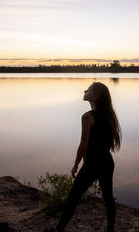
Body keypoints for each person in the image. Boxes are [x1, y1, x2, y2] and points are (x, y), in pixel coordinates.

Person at [44, 82, 122, 232]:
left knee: (72, 199)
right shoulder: (108, 115)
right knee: (108, 198)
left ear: (96, 96)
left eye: (89, 89)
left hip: (92, 164)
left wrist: (75, 165)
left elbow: (83, 146)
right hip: (107, 161)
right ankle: (110, 229)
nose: (85, 90)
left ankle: (58, 230)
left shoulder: (87, 117)